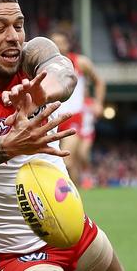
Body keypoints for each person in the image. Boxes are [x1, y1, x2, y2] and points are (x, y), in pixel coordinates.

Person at [0, 0, 123, 271]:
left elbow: (65, 72)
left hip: (78, 233)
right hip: (17, 255)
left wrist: (42, 92)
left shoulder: (31, 55)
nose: (13, 36)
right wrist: (10, 144)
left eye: (18, 26)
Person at [49, 29, 106, 185]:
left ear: (68, 44)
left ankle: (72, 199)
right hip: (51, 118)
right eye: (55, 43)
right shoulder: (44, 64)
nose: (58, 47)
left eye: (61, 43)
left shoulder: (80, 62)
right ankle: (73, 197)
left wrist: (98, 103)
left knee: (67, 161)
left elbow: (99, 82)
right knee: (60, 164)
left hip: (73, 117)